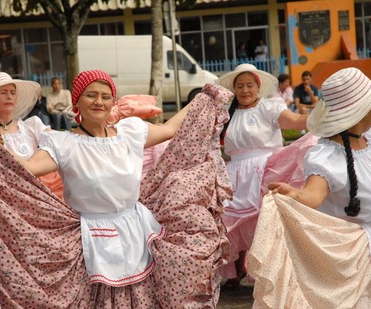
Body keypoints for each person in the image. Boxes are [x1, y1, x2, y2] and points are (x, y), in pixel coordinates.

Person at [12, 70, 232, 307]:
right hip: (92, 240)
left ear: (113, 102)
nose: (99, 101)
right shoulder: (62, 143)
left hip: (137, 229)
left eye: (106, 96)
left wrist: (204, 97)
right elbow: (28, 166)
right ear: (76, 101)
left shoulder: (130, 133)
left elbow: (170, 129)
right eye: (91, 95)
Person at [250, 67, 371, 308]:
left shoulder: (369, 137)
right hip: (362, 251)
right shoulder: (327, 157)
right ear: (358, 115)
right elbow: (313, 194)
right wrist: (294, 194)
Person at [216, 63, 308, 289]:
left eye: (249, 85)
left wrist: (321, 119)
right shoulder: (226, 114)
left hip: (267, 168)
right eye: (240, 86)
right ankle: (236, 271)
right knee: (230, 222)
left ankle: (267, 272)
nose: (245, 90)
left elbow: (294, 121)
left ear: (258, 87)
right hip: (235, 173)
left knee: (262, 222)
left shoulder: (269, 107)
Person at [0, 72, 64, 200]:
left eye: (12, 92)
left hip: (35, 199)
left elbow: (59, 143)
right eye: (3, 92)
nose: (9, 96)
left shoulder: (32, 126)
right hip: (0, 202)